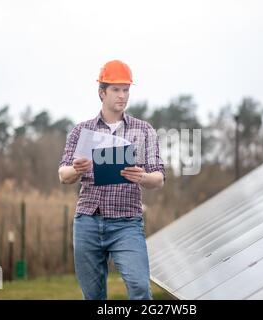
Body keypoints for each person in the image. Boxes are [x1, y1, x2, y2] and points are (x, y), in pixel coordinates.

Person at [58, 60, 165, 300]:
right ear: (101, 92)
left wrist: (142, 176)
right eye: (116, 89)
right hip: (87, 221)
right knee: (94, 296)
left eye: (126, 89)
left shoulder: (144, 130)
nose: (122, 95)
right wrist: (77, 169)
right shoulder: (81, 131)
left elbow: (158, 178)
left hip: (127, 223)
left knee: (139, 287)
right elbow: (63, 174)